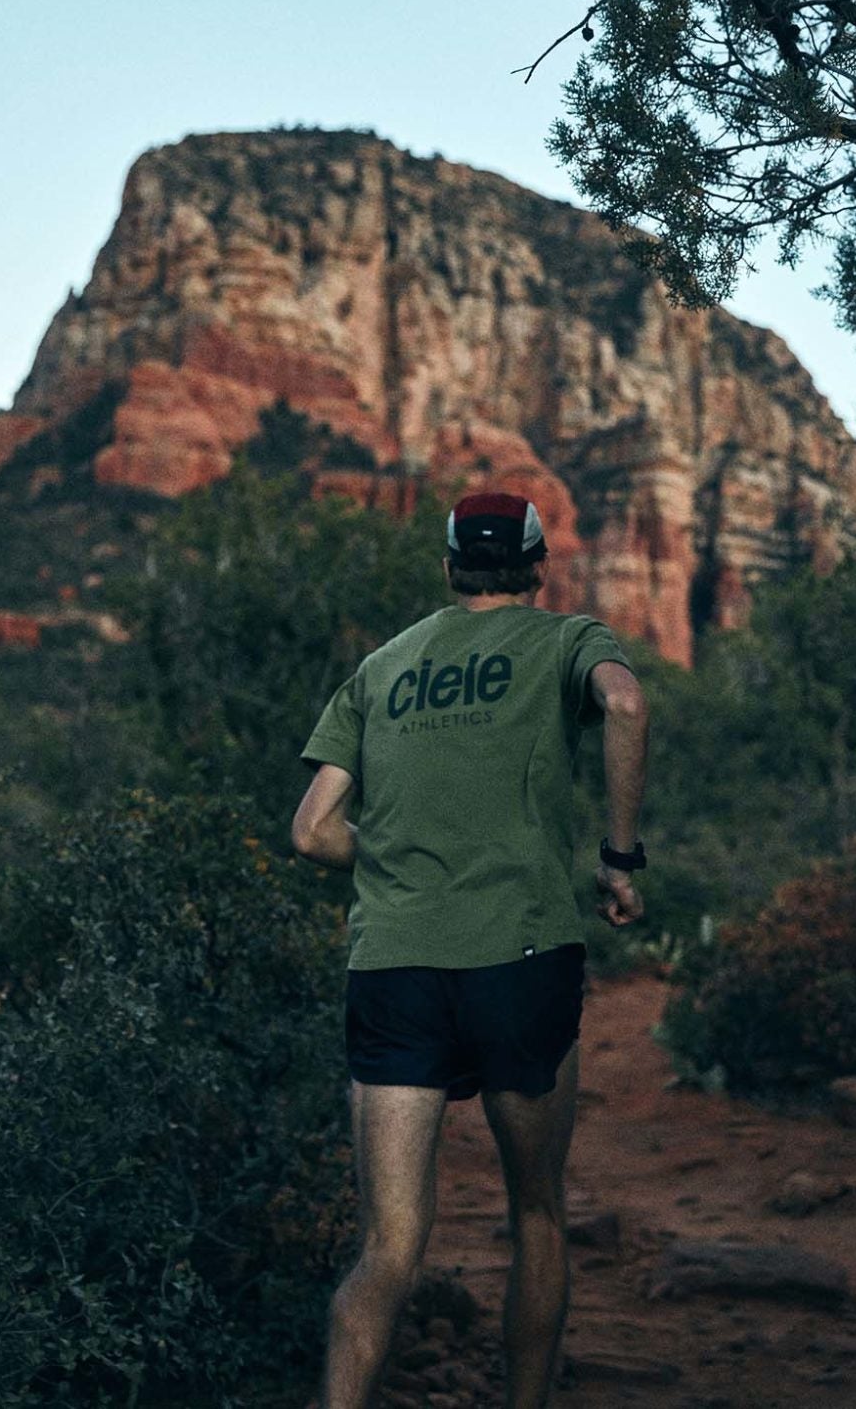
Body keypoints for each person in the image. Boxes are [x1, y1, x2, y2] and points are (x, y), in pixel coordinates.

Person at [290, 489, 650, 1409]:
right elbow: (625, 702)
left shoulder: (382, 666)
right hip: (519, 958)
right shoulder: (568, 639)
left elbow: (312, 830)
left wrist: (398, 855)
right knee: (537, 1211)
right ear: (538, 568)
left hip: (395, 968)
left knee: (387, 1246)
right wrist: (618, 858)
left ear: (449, 566)